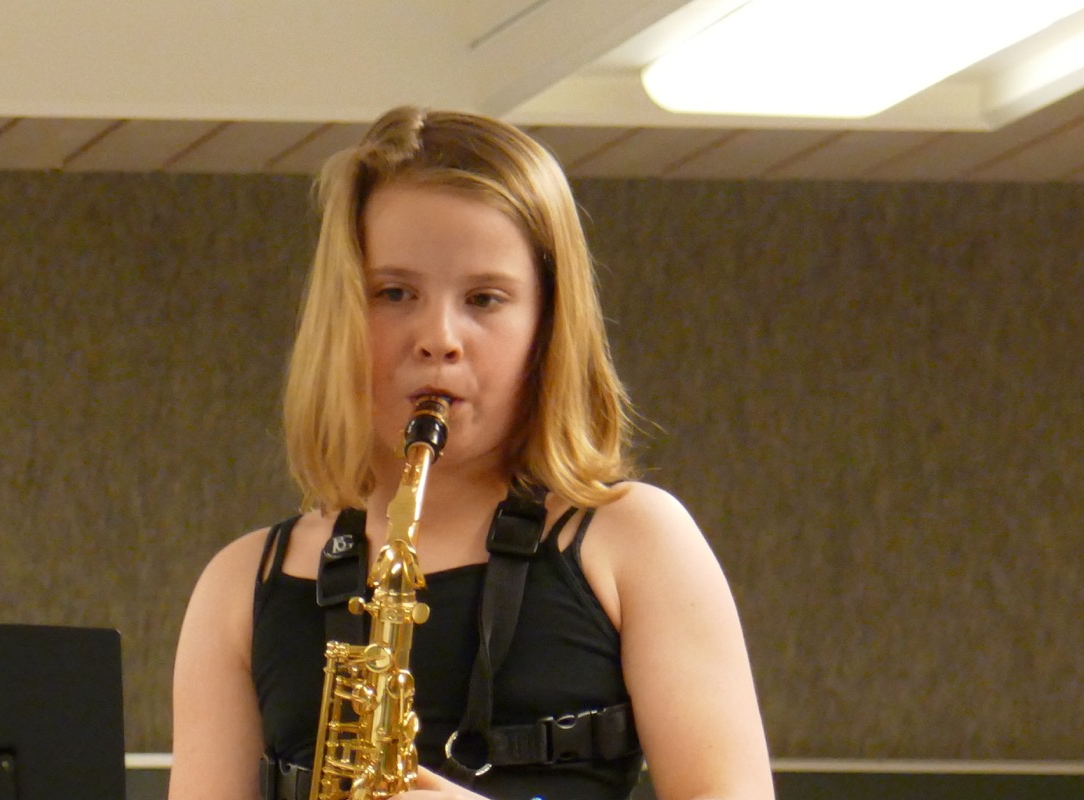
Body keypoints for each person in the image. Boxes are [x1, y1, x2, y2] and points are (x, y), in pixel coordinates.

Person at [168, 106, 775, 800]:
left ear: (548, 325)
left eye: (485, 299)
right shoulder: (239, 585)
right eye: (394, 293)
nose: (439, 338)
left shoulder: (636, 537)